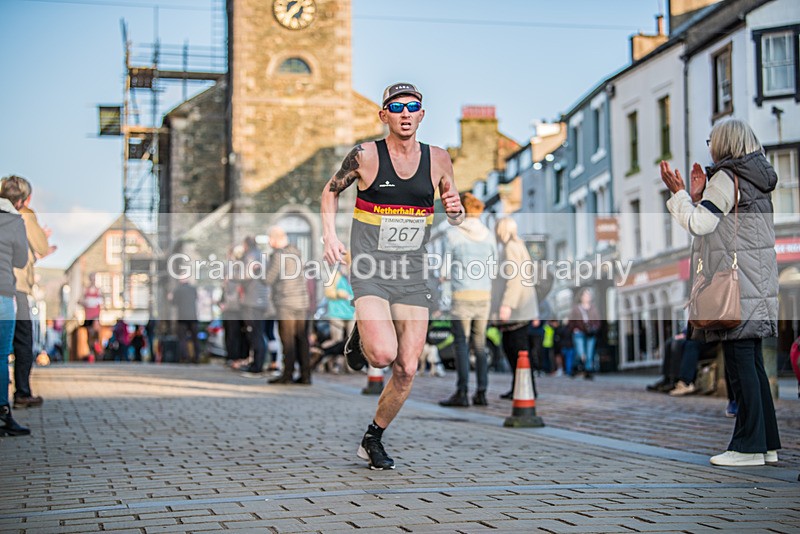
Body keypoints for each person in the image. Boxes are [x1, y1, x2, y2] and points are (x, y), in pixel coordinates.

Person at [320, 82, 464, 470]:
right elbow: (330, 191)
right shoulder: (365, 155)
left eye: (411, 106)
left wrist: (455, 208)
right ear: (384, 115)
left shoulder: (439, 159)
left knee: (407, 366)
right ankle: (364, 335)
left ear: (421, 114)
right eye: (395, 106)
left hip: (413, 272)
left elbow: (455, 209)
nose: (404, 112)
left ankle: (373, 438)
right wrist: (330, 235)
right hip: (370, 268)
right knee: (383, 354)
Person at [660, 117, 780, 467]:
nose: (708, 144)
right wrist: (699, 197)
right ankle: (767, 443)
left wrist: (680, 195)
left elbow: (701, 224)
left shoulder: (729, 177)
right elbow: (720, 227)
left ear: (725, 143)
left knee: (743, 369)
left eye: (711, 138)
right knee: (753, 366)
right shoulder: (755, 179)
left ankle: (748, 447)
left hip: (737, 286)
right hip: (756, 282)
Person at [1, 176, 55, 409]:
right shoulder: (23, 216)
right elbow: (37, 249)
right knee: (23, 340)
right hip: (15, 286)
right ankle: (22, 392)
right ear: (25, 199)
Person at [439, 193, 495, 408]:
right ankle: (481, 392)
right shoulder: (489, 235)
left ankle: (462, 392)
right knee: (479, 345)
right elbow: (494, 267)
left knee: (461, 345)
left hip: (462, 295)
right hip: (484, 296)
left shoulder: (453, 235)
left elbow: (444, 270)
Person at [492, 217, 538, 400]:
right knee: (519, 349)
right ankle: (522, 386)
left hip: (516, 307)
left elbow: (513, 279)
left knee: (514, 348)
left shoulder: (510, 248)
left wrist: (506, 305)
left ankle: (523, 387)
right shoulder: (520, 246)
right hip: (524, 305)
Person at [0, 182, 31, 435]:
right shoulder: (14, 221)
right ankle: (2, 415)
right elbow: (21, 260)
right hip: (3, 293)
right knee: (1, 357)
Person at [265, 226, 311, 385]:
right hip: (301, 302)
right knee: (302, 339)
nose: (269, 243)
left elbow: (268, 278)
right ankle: (306, 375)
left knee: (288, 340)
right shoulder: (296, 252)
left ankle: (287, 374)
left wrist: (258, 272)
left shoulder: (279, 255)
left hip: (286, 302)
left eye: (270, 239)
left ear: (274, 239)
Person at [238, 236, 271, 376]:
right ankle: (256, 362)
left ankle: (257, 365)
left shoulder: (251, 256)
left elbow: (246, 275)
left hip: (252, 300)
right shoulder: (262, 256)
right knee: (258, 332)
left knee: (255, 333)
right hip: (261, 300)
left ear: (246, 245)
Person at [568, 288, 601, 379]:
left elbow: (597, 321)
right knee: (580, 352)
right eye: (585, 295)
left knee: (590, 352)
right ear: (581, 296)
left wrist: (595, 328)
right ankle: (577, 366)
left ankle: (588, 370)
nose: (587, 297)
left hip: (590, 333)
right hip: (579, 332)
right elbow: (571, 321)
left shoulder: (593, 308)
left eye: (589, 295)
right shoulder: (576, 309)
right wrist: (574, 328)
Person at [170, 278, 199, 364]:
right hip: (193, 317)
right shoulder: (193, 289)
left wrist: (170, 298)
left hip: (182, 317)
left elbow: (174, 303)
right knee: (195, 338)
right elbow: (196, 299)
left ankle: (185, 357)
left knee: (182, 338)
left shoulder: (178, 290)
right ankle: (196, 357)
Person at [82, 273, 103, 359]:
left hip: (96, 315)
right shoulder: (86, 290)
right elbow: (81, 300)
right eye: (92, 278)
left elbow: (101, 301)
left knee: (96, 333)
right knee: (89, 334)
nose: (93, 280)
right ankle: (91, 352)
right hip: (88, 315)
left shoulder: (98, 290)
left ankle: (98, 350)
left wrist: (94, 301)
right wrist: (87, 302)